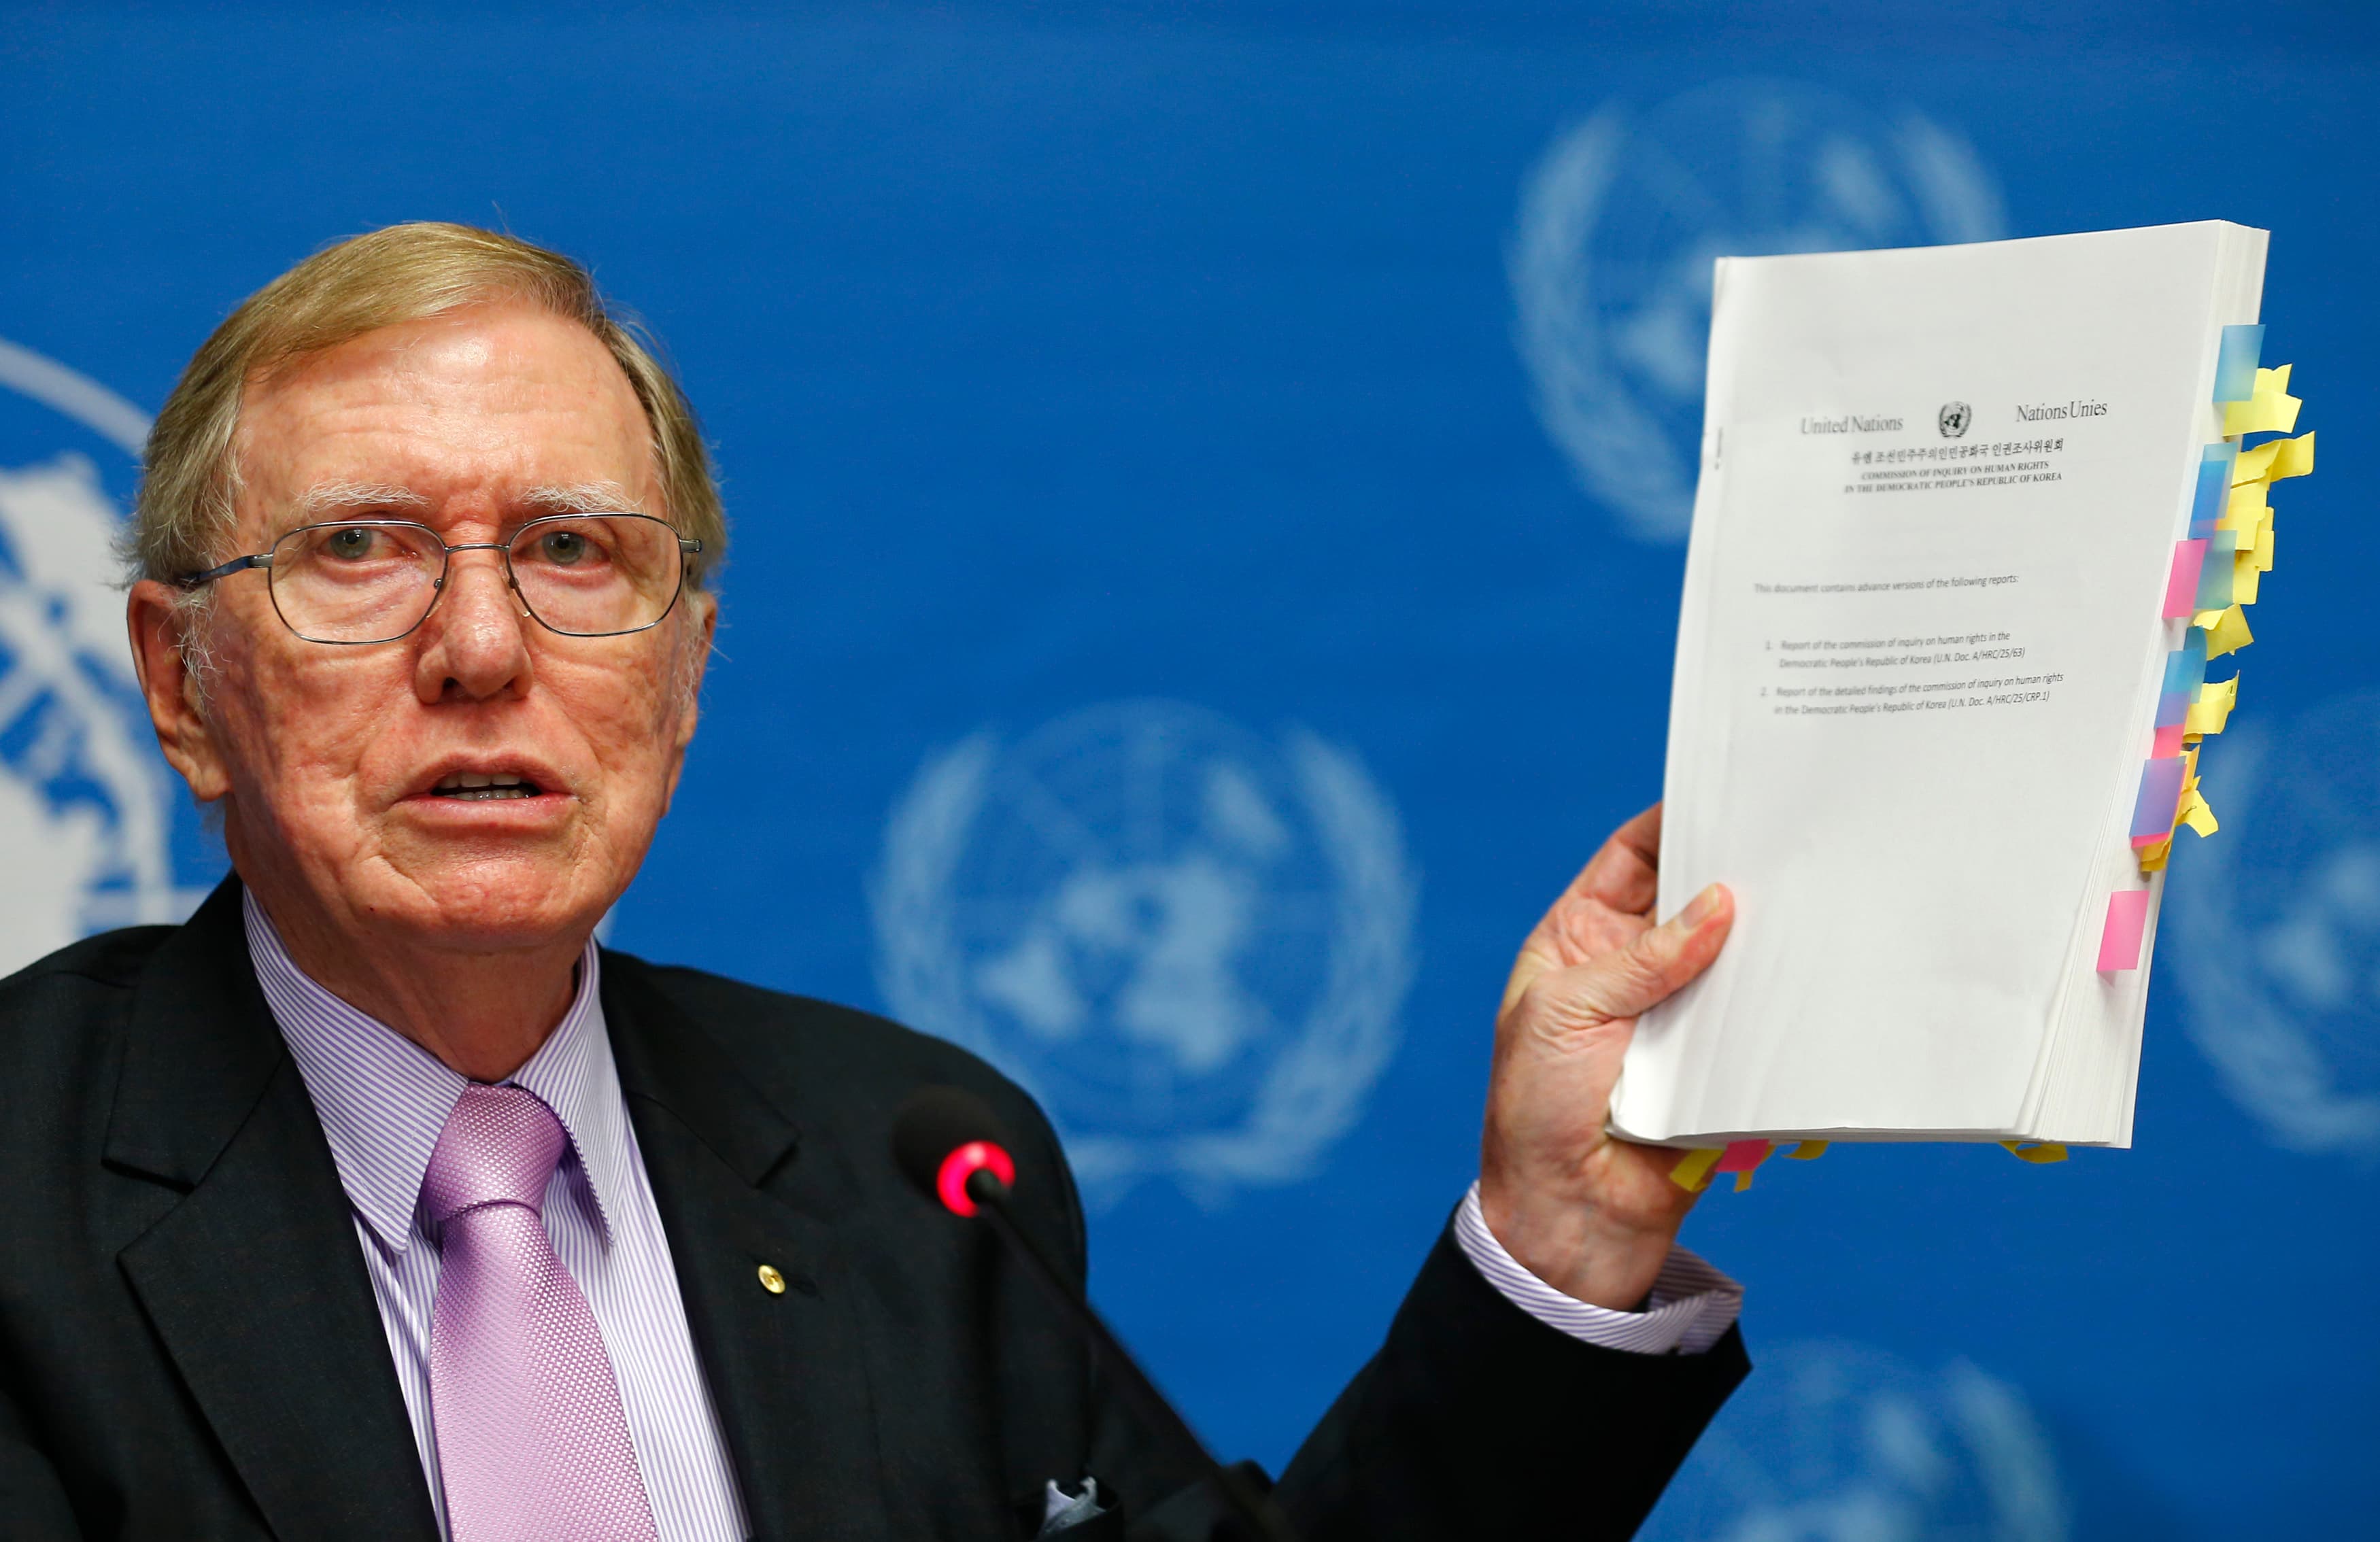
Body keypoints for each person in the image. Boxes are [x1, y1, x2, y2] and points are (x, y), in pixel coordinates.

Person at [0, 223, 1746, 1542]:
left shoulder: (907, 1166)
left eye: (570, 553)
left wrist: (1562, 1239)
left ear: (683, 678)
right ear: (180, 684)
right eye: (361, 550)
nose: (478, 646)